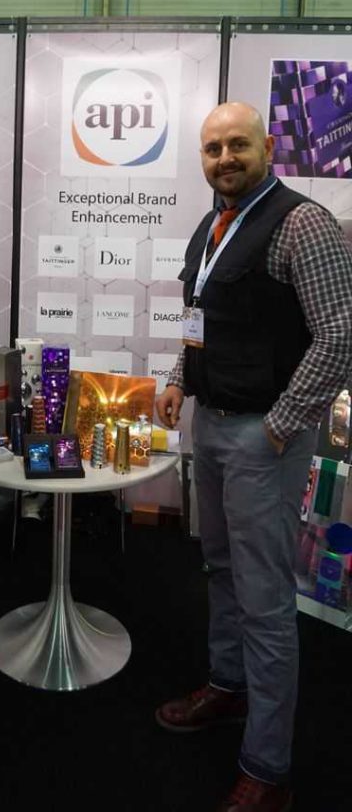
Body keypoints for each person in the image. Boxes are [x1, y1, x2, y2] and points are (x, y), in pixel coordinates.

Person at [155, 101, 352, 812]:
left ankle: (268, 769)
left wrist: (279, 426)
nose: (224, 159)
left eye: (237, 145)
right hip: (212, 425)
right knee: (220, 567)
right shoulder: (213, 224)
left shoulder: (303, 223)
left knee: (266, 600)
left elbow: (340, 335)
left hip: (263, 437)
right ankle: (229, 685)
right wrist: (178, 379)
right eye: (212, 149)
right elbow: (200, 319)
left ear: (268, 146)